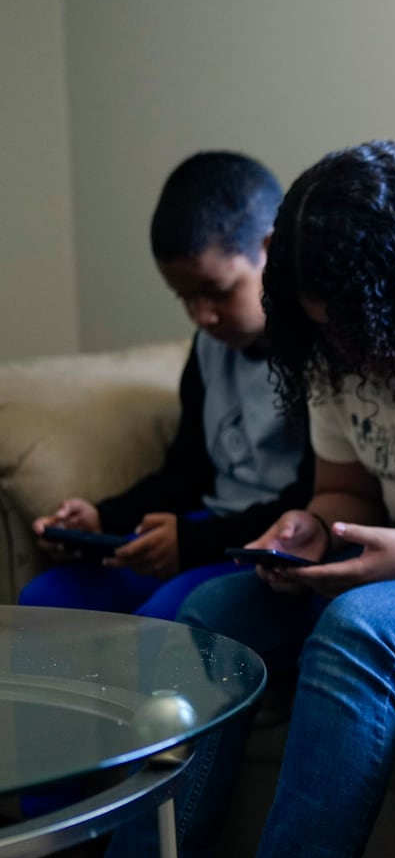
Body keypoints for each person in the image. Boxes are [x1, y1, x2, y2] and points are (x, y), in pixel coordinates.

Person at [83, 139, 395, 858]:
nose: (345, 352)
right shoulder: (329, 349)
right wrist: (307, 526)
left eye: (355, 331)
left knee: (360, 623)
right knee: (210, 616)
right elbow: (347, 494)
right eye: (323, 332)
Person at [26, 151, 312, 621]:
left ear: (273, 250)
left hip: (270, 547)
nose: (202, 316)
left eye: (218, 291)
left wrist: (193, 543)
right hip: (207, 527)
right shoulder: (210, 348)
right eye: (185, 297)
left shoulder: (318, 350)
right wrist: (104, 519)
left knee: (166, 619)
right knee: (47, 601)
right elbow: (187, 472)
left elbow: (317, 499)